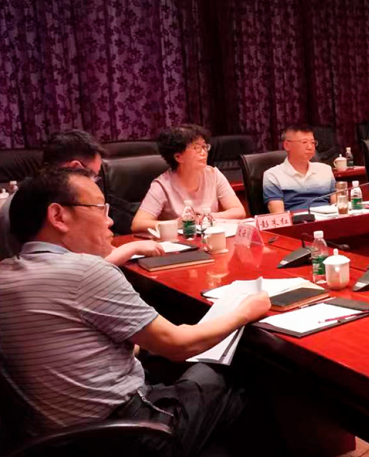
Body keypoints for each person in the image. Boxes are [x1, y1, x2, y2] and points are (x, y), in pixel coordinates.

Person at [0, 168, 271, 456]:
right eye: (100, 208)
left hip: (50, 441)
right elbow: (179, 345)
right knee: (238, 369)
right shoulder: (86, 272)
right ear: (58, 216)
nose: (110, 221)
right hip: (124, 437)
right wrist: (244, 312)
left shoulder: (5, 275)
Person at [0, 130, 163, 264]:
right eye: (94, 176)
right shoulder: (36, 203)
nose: (95, 183)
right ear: (75, 168)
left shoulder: (32, 193)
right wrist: (132, 248)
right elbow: (66, 267)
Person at [131, 124, 246, 233]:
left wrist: (208, 217)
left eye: (204, 146)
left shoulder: (213, 174)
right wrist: (176, 223)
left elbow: (239, 211)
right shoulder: (162, 185)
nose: (204, 153)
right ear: (178, 157)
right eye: (197, 147)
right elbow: (138, 224)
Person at [262, 124, 337, 213]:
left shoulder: (325, 170)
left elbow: (337, 206)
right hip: (296, 220)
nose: (310, 147)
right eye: (304, 142)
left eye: (312, 142)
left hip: (327, 218)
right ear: (287, 145)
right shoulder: (272, 175)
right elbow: (278, 214)